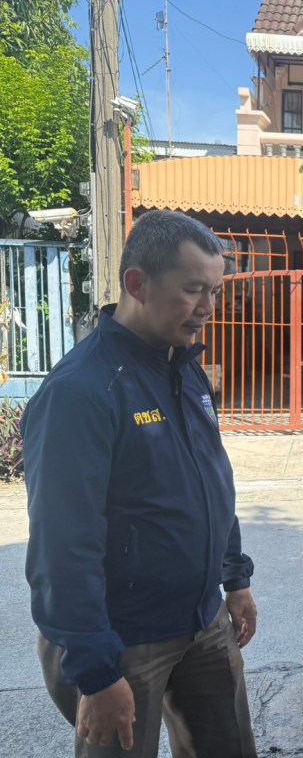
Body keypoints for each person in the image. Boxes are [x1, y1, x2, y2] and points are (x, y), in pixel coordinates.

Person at [24, 210, 258, 757]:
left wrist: (235, 576)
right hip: (123, 641)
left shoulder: (184, 367)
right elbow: (63, 547)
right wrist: (96, 671)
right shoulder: (81, 392)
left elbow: (211, 478)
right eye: (193, 289)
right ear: (137, 284)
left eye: (215, 291)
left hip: (203, 620)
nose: (209, 307)